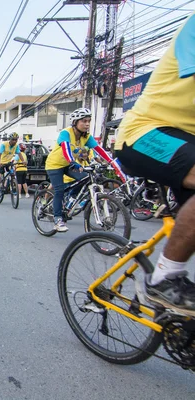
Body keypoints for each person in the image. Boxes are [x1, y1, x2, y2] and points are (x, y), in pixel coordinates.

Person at [115, 13, 195, 312]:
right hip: (146, 132)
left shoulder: (87, 137)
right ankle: (163, 280)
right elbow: (67, 154)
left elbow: (96, 150)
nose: (86, 125)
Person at [45, 108, 122, 232]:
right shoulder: (66, 133)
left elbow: (99, 150)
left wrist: (112, 162)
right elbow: (66, 149)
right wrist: (72, 162)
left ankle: (71, 199)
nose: (87, 124)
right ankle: (58, 219)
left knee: (86, 178)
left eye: (89, 121)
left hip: (70, 164)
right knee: (59, 190)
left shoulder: (86, 137)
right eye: (84, 121)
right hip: (55, 164)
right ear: (75, 122)